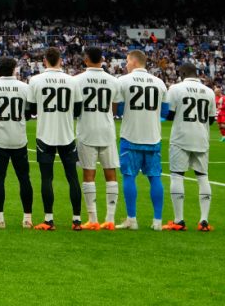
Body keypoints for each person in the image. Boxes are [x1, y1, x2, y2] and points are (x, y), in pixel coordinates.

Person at [27, 47, 83, 231]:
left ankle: (49, 219)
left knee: (46, 178)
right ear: (61, 60)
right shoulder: (72, 80)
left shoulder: (35, 80)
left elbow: (32, 110)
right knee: (72, 177)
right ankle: (76, 220)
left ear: (44, 61)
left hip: (45, 135)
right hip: (67, 134)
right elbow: (77, 110)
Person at [116, 50, 169, 230]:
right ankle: (158, 221)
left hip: (131, 136)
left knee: (129, 176)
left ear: (134, 62)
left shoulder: (123, 81)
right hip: (153, 137)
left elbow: (119, 110)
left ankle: (132, 219)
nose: (126, 65)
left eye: (127, 61)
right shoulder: (160, 83)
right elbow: (164, 112)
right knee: (155, 178)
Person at [0, 57, 33, 229]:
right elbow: (28, 113)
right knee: (24, 178)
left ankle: (0, 218)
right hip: (19, 138)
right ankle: (27, 218)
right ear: (13, 69)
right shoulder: (25, 87)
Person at [74, 47, 123, 230]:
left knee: (89, 174)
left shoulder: (77, 80)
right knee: (110, 174)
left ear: (86, 59)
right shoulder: (113, 81)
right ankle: (109, 219)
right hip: (107, 130)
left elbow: (75, 108)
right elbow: (115, 107)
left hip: (86, 130)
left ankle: (93, 219)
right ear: (102, 59)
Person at [165, 64, 216, 232]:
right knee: (203, 177)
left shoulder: (176, 88)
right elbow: (211, 119)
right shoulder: (209, 92)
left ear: (182, 73)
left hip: (181, 138)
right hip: (201, 138)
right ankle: (204, 221)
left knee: (177, 176)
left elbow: (170, 115)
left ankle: (179, 220)